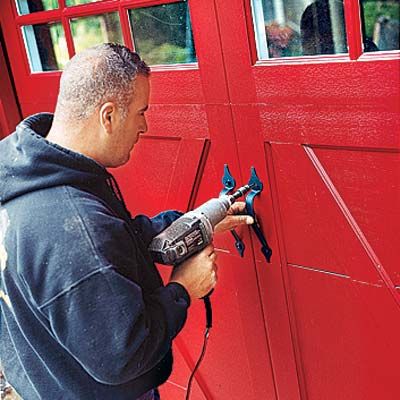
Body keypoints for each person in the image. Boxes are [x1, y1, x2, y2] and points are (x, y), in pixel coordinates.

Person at [0, 43, 253, 399]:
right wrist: (183, 288)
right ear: (107, 116)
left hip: (47, 379)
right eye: (140, 112)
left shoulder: (29, 175)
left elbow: (117, 239)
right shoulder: (72, 227)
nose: (145, 126)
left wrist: (201, 219)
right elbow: (126, 356)